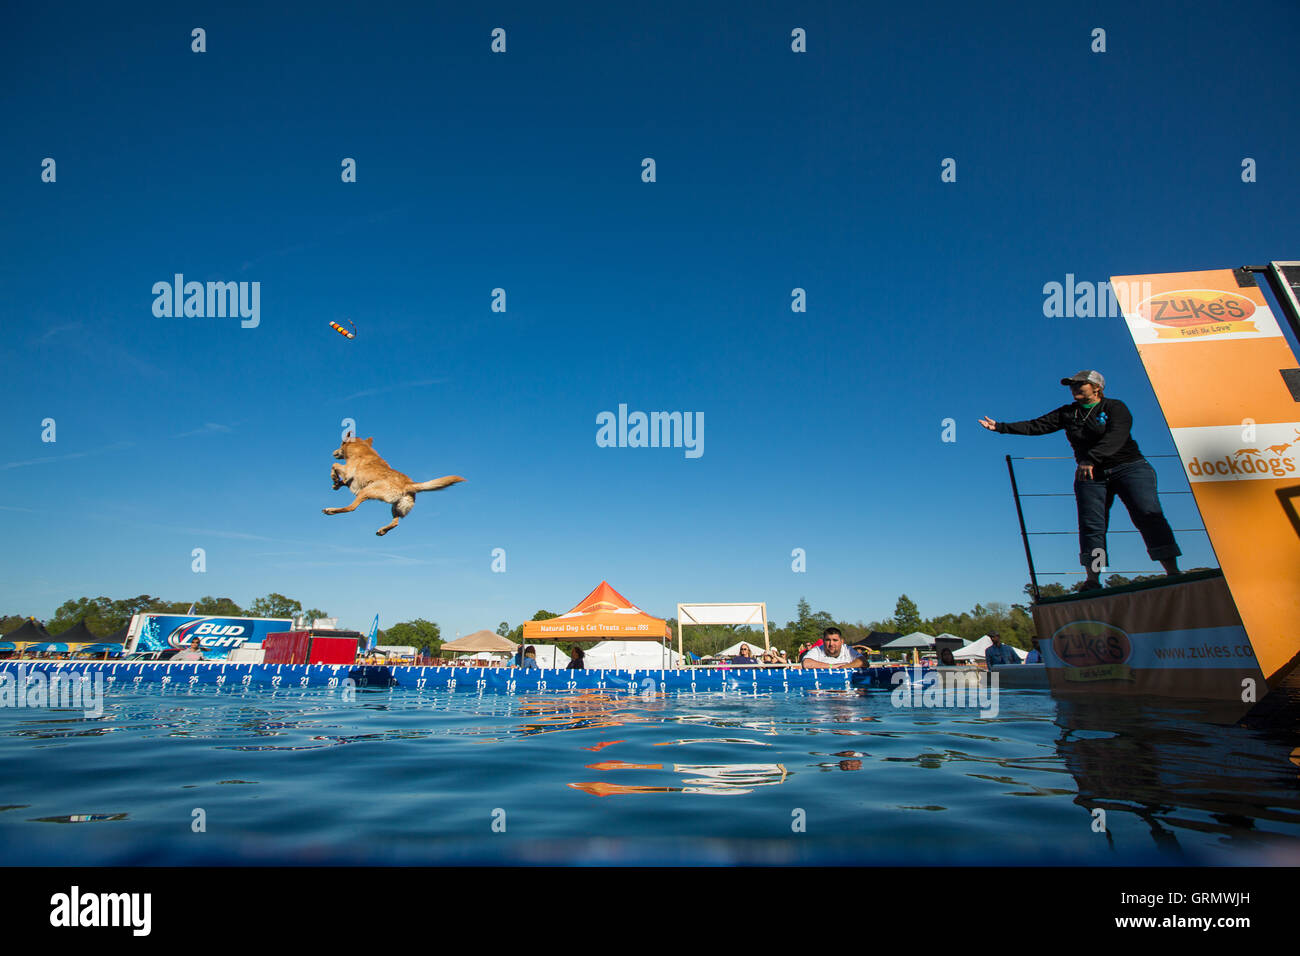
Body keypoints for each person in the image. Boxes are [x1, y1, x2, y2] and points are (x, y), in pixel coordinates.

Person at [980, 370, 1181, 590]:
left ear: (1097, 387)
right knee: (1092, 525)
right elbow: (1036, 425)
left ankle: (1172, 570)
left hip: (1129, 468)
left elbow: (1118, 435)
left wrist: (1091, 459)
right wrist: (1000, 427)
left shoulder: (1114, 407)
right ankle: (1093, 579)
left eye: (1080, 384)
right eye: (1071, 385)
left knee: (1147, 514)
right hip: (1091, 476)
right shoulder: (1069, 413)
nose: (1074, 388)